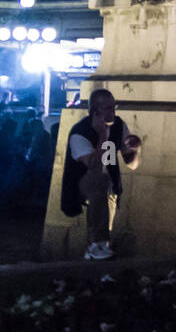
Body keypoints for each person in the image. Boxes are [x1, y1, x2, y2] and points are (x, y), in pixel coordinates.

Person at [60, 89, 141, 260]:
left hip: (109, 184)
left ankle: (98, 247)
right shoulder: (80, 132)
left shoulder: (119, 125)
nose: (112, 112)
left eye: (113, 107)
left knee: (107, 207)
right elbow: (94, 166)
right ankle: (97, 242)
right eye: (107, 108)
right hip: (83, 183)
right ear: (94, 111)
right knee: (99, 181)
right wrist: (102, 134)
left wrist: (134, 149)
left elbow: (132, 164)